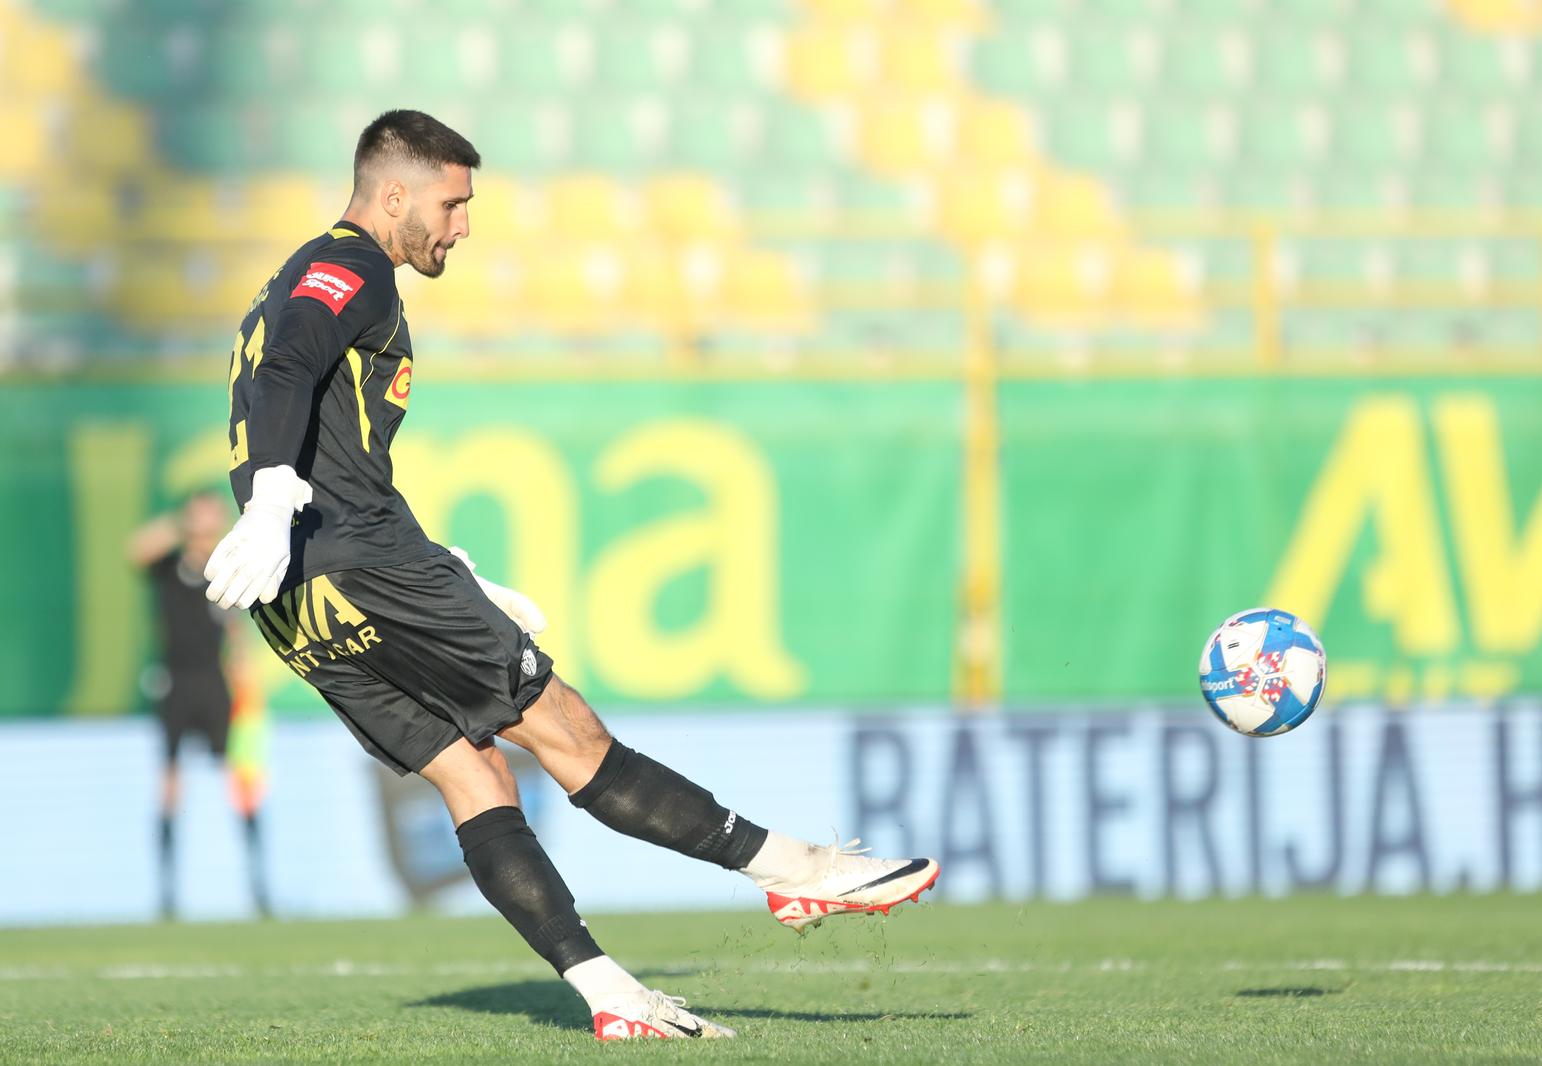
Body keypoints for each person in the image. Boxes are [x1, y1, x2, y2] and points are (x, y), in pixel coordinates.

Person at [201, 109, 938, 1042]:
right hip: (350, 557)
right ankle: (792, 869)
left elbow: (317, 423)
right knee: (570, 733)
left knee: (474, 779)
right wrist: (275, 502)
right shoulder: (351, 265)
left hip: (297, 598)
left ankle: (608, 992)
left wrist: (431, 562)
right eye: (452, 203)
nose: (462, 225)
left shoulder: (288, 279)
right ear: (394, 195)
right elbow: (293, 368)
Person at [127, 489, 271, 919]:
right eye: (200, 516)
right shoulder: (169, 565)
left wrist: (245, 674)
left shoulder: (223, 568)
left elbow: (236, 631)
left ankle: (259, 887)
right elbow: (135, 550)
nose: (207, 524)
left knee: (241, 779)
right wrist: (181, 524)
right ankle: (167, 896)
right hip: (176, 683)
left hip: (215, 684)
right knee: (170, 782)